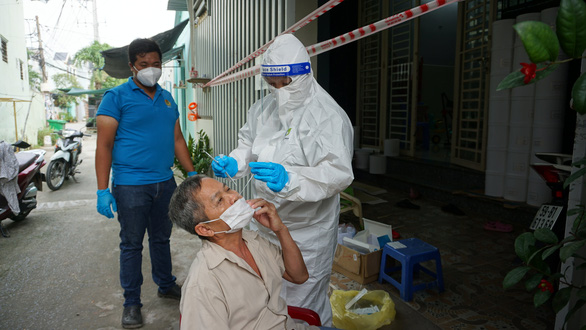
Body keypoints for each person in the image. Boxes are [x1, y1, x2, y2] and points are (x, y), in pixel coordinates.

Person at [211, 34, 354, 325]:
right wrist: (235, 162)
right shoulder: (264, 108)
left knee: (302, 300)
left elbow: (338, 174)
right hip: (264, 222)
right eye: (272, 85)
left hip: (306, 231)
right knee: (268, 293)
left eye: (285, 83)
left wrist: (291, 179)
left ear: (304, 73)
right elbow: (248, 144)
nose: (279, 91)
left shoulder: (328, 116)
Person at [95, 38, 196, 329]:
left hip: (165, 183)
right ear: (132, 67)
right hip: (130, 186)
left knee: (162, 239)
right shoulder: (115, 97)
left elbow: (177, 139)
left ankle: (165, 284)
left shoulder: (167, 98)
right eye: (144, 65)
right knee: (131, 245)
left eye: (155, 64)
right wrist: (103, 190)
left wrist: (190, 174)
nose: (151, 70)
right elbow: (104, 146)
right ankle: (131, 303)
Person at [169, 175, 336, 330]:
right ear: (205, 229)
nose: (234, 197)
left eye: (228, 189)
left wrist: (280, 229)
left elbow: (299, 276)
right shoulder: (203, 283)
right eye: (220, 200)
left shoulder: (253, 240)